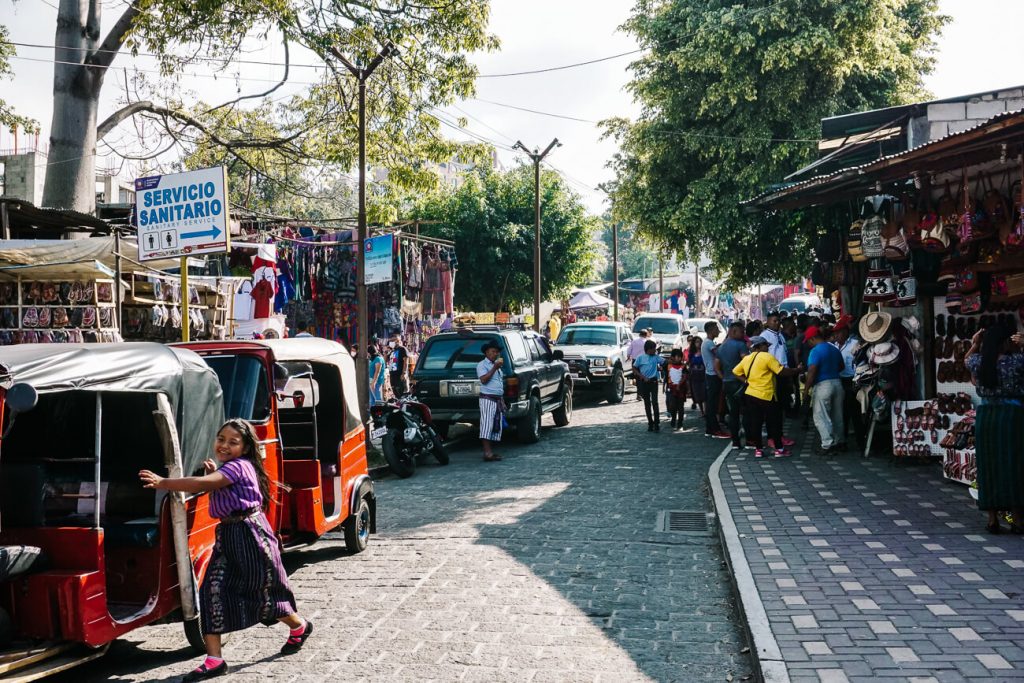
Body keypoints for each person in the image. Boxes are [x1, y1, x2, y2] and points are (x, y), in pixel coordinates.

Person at [138, 419, 312, 681]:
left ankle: (299, 626)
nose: (224, 445)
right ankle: (214, 660)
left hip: (250, 534)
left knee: (260, 592)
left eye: (233, 442)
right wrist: (214, 471)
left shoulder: (240, 467)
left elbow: (202, 484)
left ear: (244, 448)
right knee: (211, 590)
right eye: (221, 439)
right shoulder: (229, 468)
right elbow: (215, 482)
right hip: (229, 534)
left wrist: (164, 482)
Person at [965, 326, 1024, 534]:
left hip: (986, 417)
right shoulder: (1016, 361)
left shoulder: (979, 362)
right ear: (1005, 342)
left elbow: (966, 360)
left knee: (988, 465)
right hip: (1012, 416)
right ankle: (1016, 518)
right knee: (1013, 464)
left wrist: (975, 344)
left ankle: (992, 519)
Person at [732, 336, 801, 458]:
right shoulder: (767, 357)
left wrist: (746, 381)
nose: (768, 348)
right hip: (767, 395)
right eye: (766, 345)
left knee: (756, 423)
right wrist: (796, 370)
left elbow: (736, 371)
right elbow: (781, 371)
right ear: (760, 346)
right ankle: (779, 449)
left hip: (751, 394)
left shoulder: (747, 359)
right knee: (774, 422)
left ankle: (758, 450)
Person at [803, 326, 846, 453]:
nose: (809, 344)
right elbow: (841, 366)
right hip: (837, 383)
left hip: (823, 385)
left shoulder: (815, 351)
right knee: (837, 415)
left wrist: (806, 391)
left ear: (813, 338)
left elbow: (812, 371)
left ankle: (827, 444)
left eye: (809, 341)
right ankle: (840, 441)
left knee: (821, 416)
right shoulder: (834, 349)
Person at [830, 316, 865, 449]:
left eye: (838, 333)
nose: (836, 336)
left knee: (854, 413)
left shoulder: (855, 343)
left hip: (852, 380)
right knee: (841, 413)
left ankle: (861, 443)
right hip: (840, 380)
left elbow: (860, 363)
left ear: (845, 332)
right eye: (835, 333)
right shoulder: (835, 346)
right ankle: (842, 441)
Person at [717, 322, 749, 449]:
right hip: (740, 383)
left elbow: (716, 367)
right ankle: (749, 440)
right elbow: (746, 361)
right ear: (734, 331)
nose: (744, 334)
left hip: (727, 383)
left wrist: (724, 378)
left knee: (733, 413)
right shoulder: (740, 345)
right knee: (746, 411)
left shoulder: (721, 347)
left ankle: (735, 441)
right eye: (742, 332)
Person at [477, 341, 506, 462]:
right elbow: (483, 380)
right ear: (487, 352)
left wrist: (502, 400)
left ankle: (490, 452)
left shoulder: (497, 366)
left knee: (495, 425)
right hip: (487, 398)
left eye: (497, 352)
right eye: (493, 352)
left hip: (497, 399)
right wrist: (494, 368)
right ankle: (487, 453)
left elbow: (498, 384)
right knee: (486, 425)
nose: (496, 354)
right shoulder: (482, 365)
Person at [702, 321, 730, 439]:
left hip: (711, 375)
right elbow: (719, 353)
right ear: (710, 330)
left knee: (712, 403)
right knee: (712, 404)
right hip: (713, 375)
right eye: (716, 328)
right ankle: (715, 429)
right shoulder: (708, 343)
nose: (718, 331)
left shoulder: (709, 343)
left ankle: (710, 429)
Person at [634, 339, 666, 431]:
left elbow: (664, 362)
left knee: (655, 402)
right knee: (647, 403)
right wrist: (642, 377)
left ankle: (657, 422)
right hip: (644, 383)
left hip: (654, 382)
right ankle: (650, 423)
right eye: (653, 349)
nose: (655, 351)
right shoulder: (640, 358)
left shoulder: (656, 357)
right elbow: (634, 368)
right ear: (648, 349)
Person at [664, 348, 687, 430]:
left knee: (681, 407)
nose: (678, 359)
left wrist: (679, 384)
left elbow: (685, 376)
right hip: (671, 388)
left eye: (680, 357)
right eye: (676, 357)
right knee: (672, 405)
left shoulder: (683, 367)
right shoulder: (668, 366)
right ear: (672, 357)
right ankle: (673, 418)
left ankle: (680, 423)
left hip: (681, 389)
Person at [685, 336, 706, 416]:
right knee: (697, 394)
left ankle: (705, 410)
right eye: (697, 342)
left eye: (700, 341)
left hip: (703, 374)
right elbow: (689, 364)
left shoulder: (704, 352)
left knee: (704, 393)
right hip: (694, 375)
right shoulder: (691, 354)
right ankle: (702, 411)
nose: (699, 343)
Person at [628, 329, 650, 401]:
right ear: (646, 335)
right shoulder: (647, 342)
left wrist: (629, 356)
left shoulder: (634, 341)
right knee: (643, 378)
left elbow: (629, 350)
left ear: (639, 334)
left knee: (638, 378)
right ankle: (643, 394)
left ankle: (639, 394)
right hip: (644, 361)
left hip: (635, 361)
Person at [387, 333, 409, 398]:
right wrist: (386, 352)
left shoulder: (402, 349)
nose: (391, 342)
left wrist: (404, 373)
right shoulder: (392, 351)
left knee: (401, 392)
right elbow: (386, 360)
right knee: (395, 391)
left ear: (398, 341)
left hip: (400, 374)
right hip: (393, 374)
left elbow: (406, 361)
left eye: (393, 340)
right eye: (390, 341)